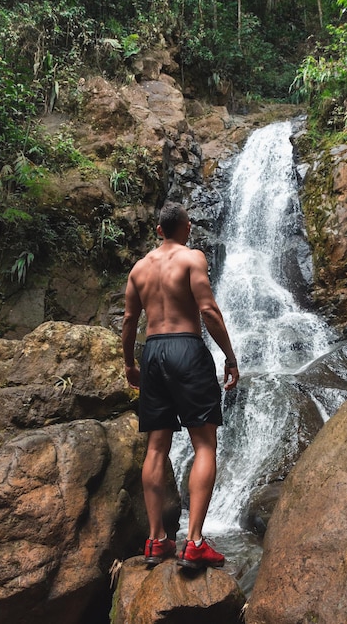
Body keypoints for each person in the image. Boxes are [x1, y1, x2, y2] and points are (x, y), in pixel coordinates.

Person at [122, 202, 239, 570]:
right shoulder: (192, 258)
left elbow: (128, 320)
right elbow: (208, 310)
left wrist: (130, 363)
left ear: (159, 230)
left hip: (153, 352)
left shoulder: (139, 269)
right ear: (186, 227)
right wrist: (230, 357)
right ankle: (194, 543)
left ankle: (157, 542)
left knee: (157, 447)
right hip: (187, 347)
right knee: (204, 442)